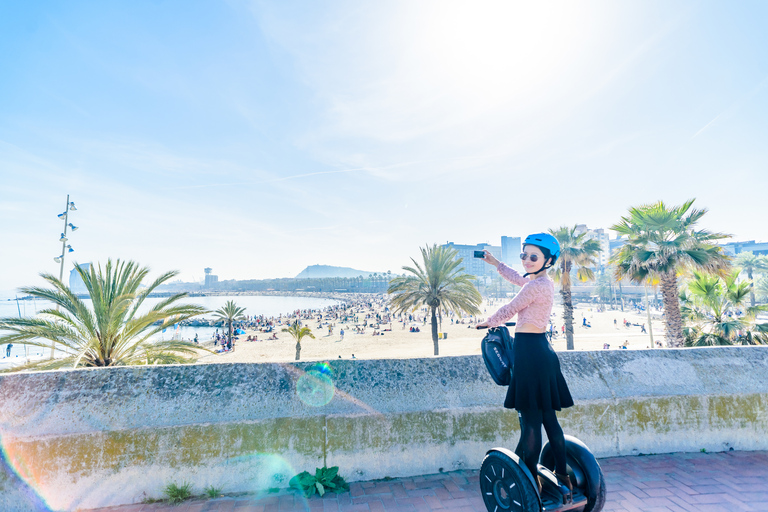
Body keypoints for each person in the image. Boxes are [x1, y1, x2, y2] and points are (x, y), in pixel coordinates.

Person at [476, 233, 574, 500]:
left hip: (530, 355)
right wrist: (497, 264)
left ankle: (530, 481)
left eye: (533, 257)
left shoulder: (534, 287)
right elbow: (519, 281)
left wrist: (488, 322)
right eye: (524, 256)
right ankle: (564, 476)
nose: (527, 261)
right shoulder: (544, 283)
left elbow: (511, 308)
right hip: (543, 352)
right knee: (549, 420)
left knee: (531, 423)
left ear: (548, 260)